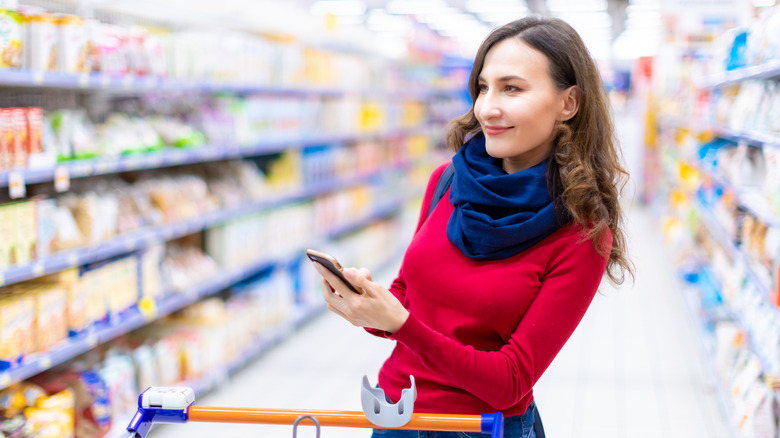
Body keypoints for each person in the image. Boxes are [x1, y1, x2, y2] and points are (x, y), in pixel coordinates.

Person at [311, 15, 633, 438]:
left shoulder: (582, 232)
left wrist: (400, 325)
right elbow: (408, 295)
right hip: (394, 414)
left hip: (482, 428)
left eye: (511, 88)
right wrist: (367, 306)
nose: (486, 108)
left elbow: (510, 381)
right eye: (483, 87)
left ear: (568, 103)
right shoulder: (447, 182)